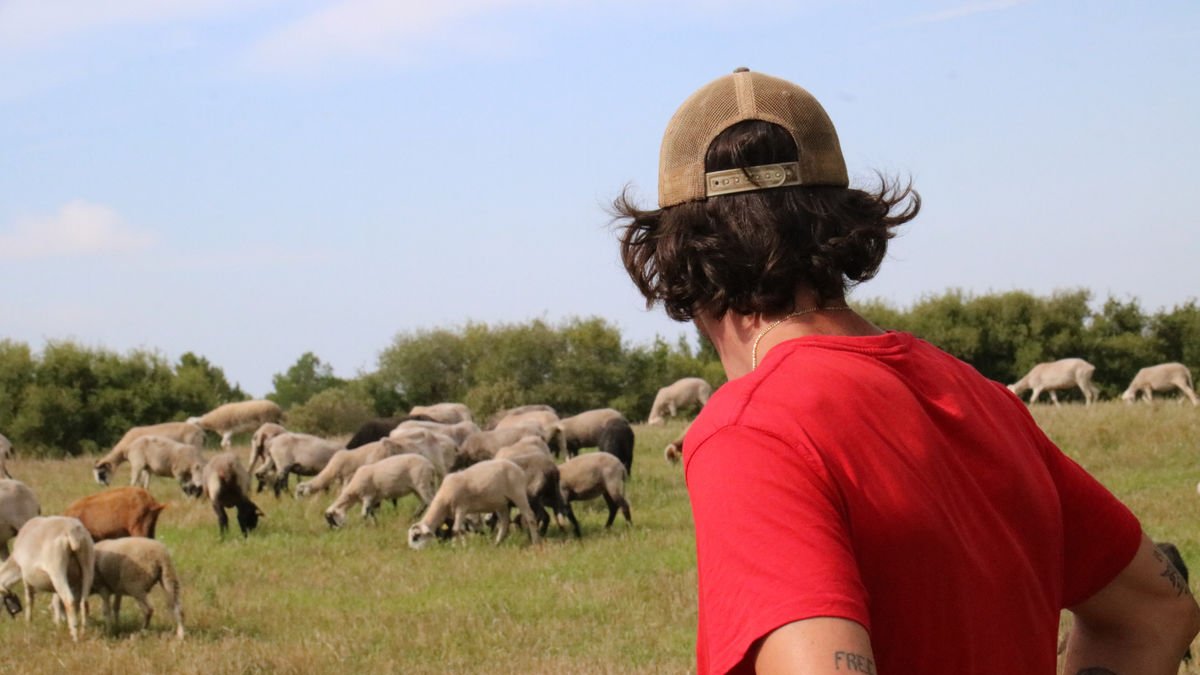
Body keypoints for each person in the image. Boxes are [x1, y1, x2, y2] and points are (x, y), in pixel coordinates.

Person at [614, 67, 1199, 674]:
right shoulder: (981, 396)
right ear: (845, 222)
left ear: (672, 253)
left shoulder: (752, 430)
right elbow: (1156, 612)